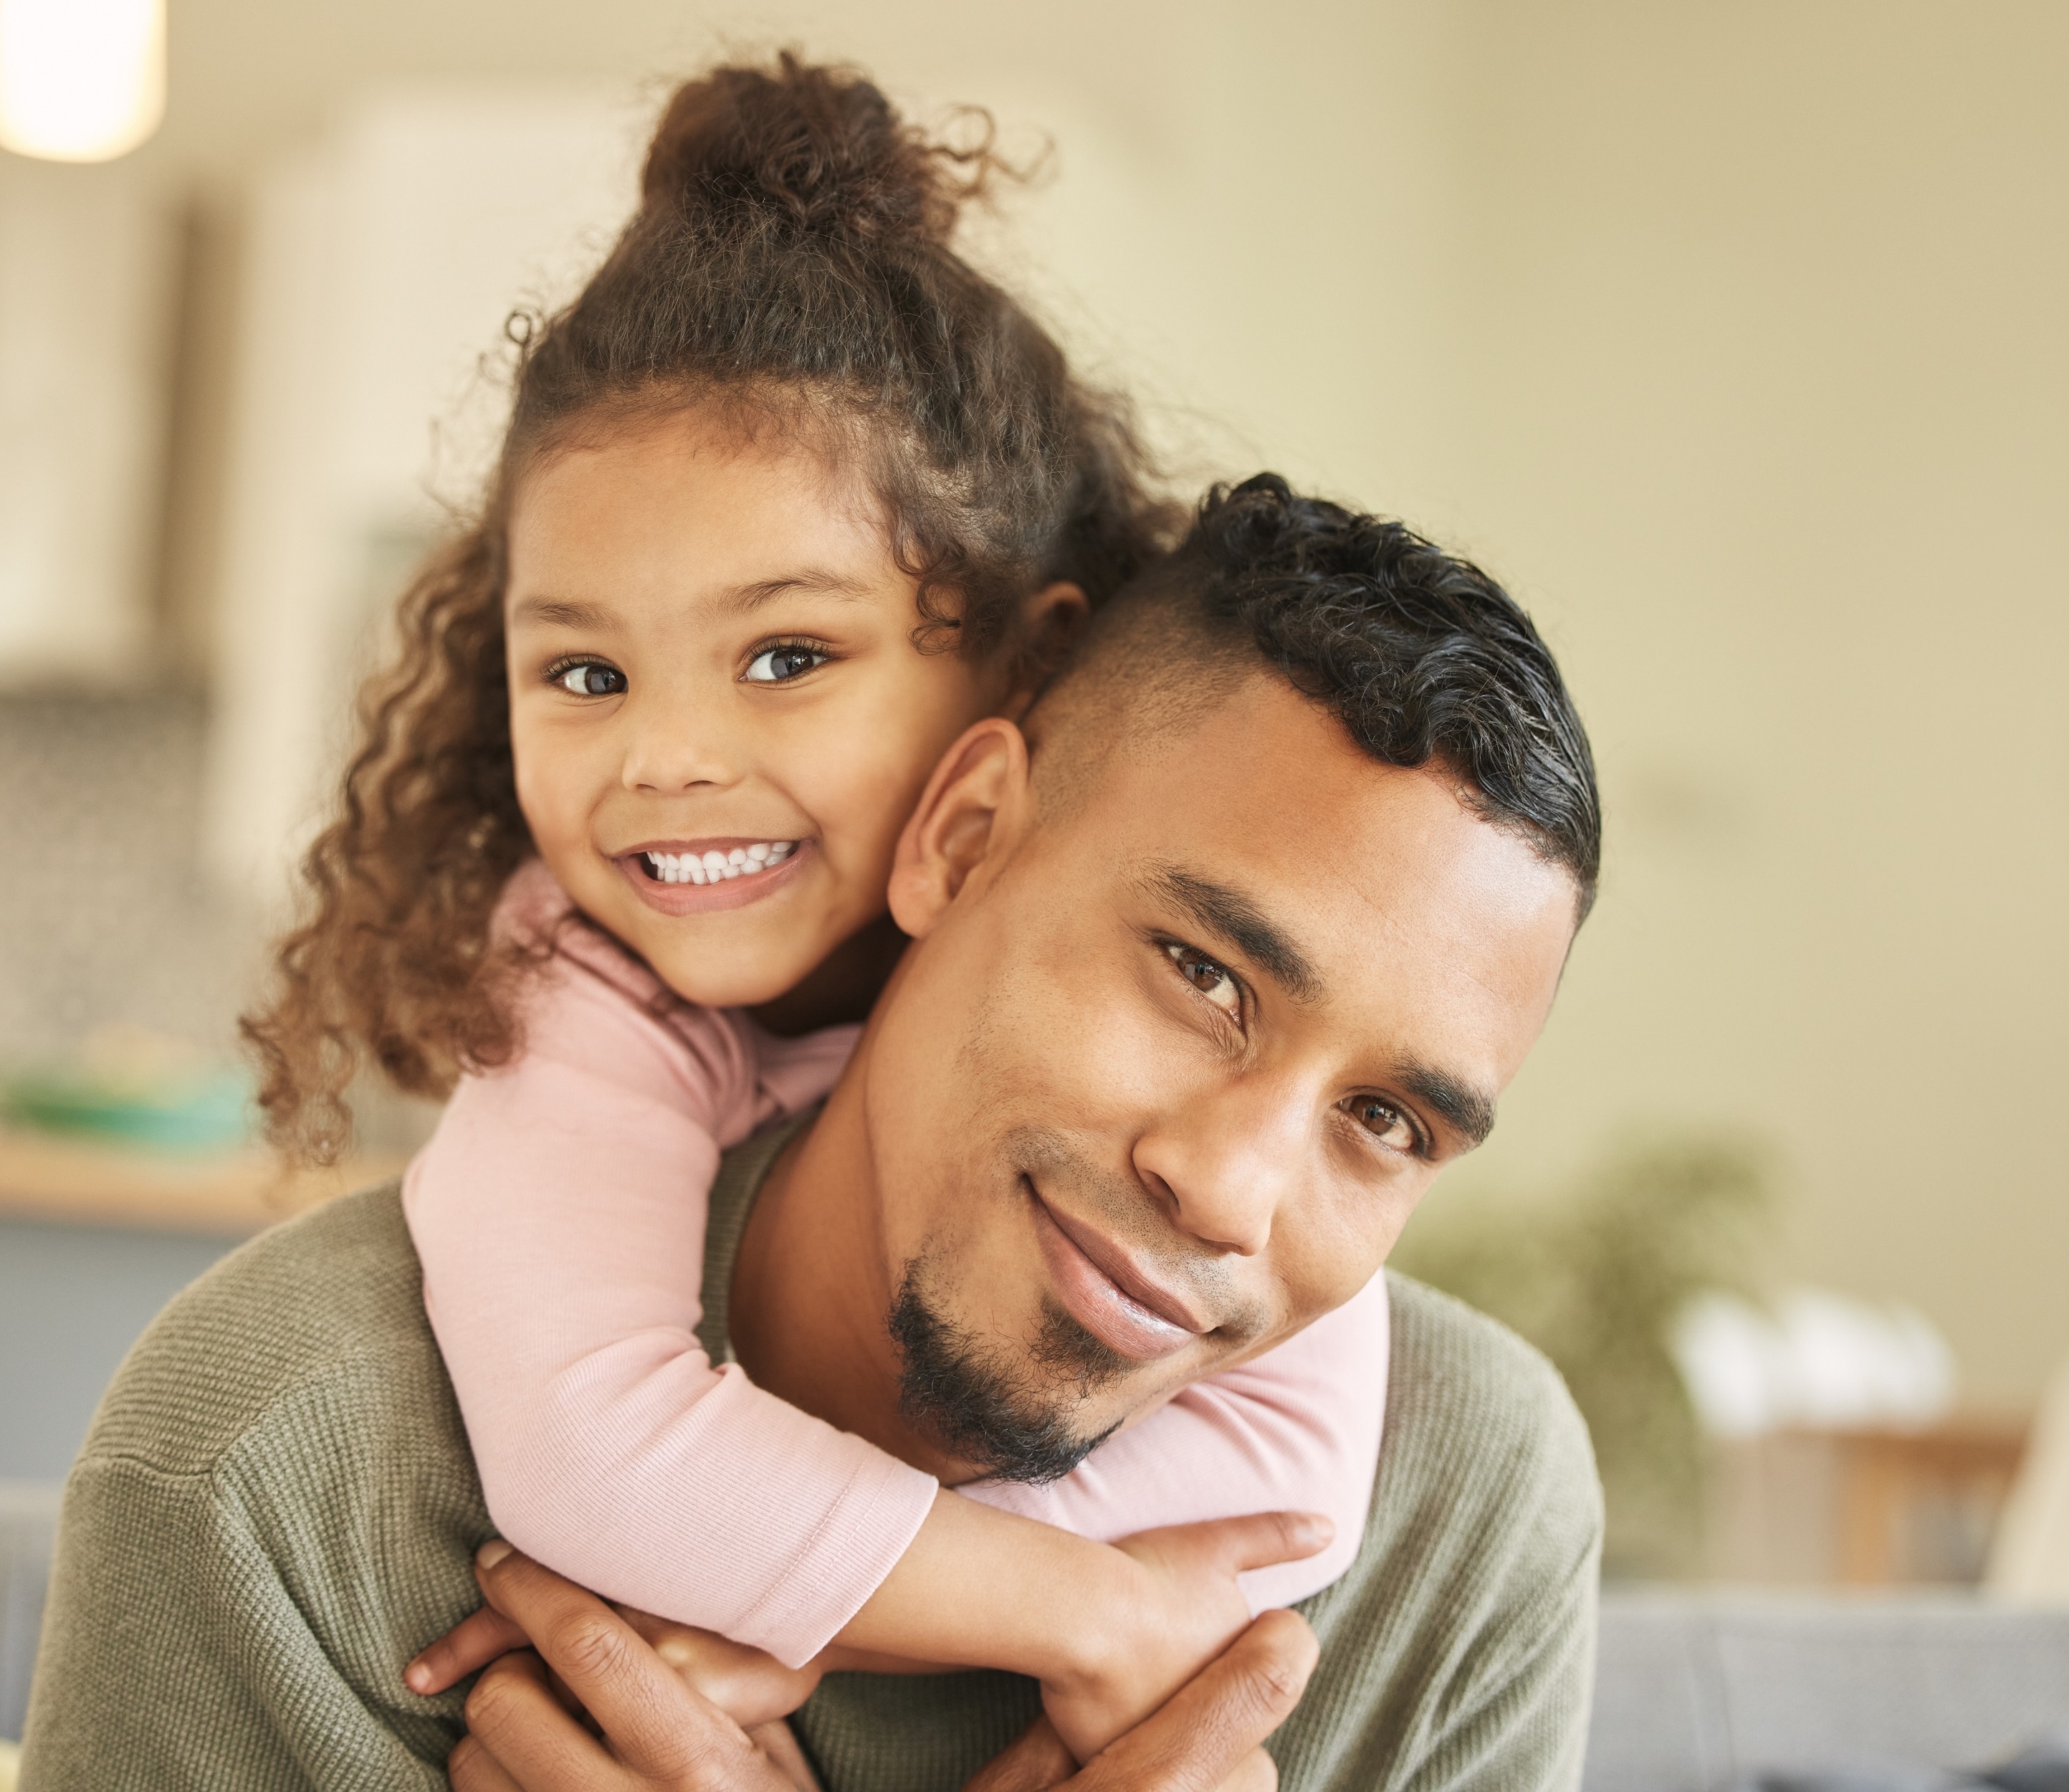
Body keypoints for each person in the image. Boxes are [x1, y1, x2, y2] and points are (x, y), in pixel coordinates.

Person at [16, 475, 1605, 1792]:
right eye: (1200, 974)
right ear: (962, 836)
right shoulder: (277, 1466)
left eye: (1384, 1120)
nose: (1229, 1187)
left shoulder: (1456, 1513)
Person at [240, 54, 1387, 1760]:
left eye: (786, 654)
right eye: (581, 668)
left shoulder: (1161, 1051)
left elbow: (1291, 1465)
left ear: (1028, 663)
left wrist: (778, 1613)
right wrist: (1087, 1611)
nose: (666, 757)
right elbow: (585, 1441)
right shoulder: (580, 977)